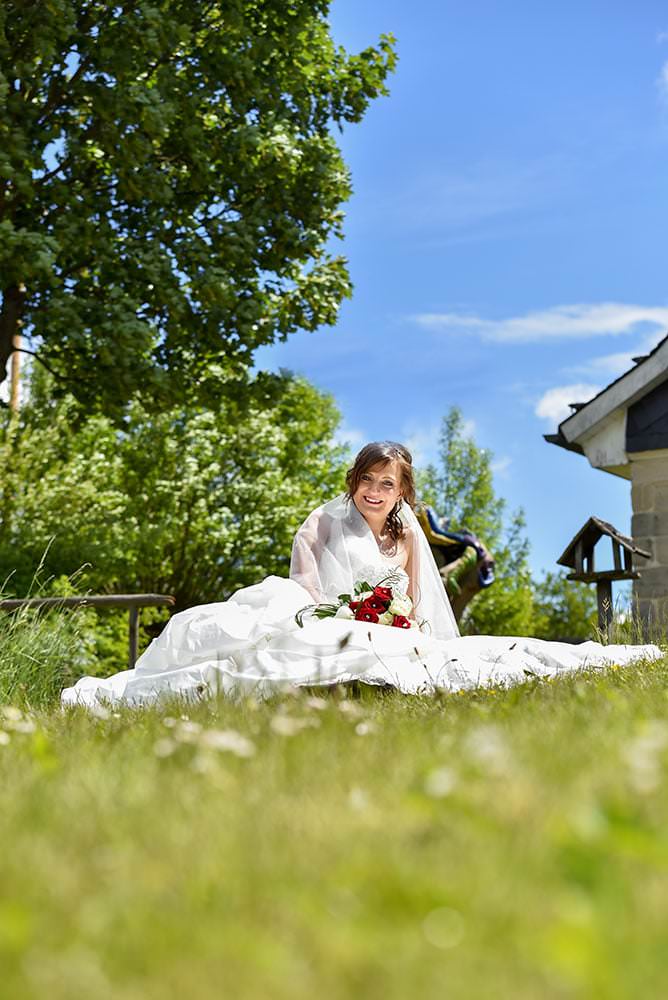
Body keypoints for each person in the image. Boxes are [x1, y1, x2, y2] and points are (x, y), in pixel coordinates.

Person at [62, 441, 661, 709]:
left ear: (403, 491)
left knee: (443, 654)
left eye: (388, 485)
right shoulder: (322, 523)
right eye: (367, 482)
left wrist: (401, 619)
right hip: (322, 616)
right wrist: (346, 612)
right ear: (354, 482)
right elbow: (305, 588)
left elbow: (419, 601)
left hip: (391, 627)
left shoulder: (408, 534)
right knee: (288, 650)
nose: (375, 493)